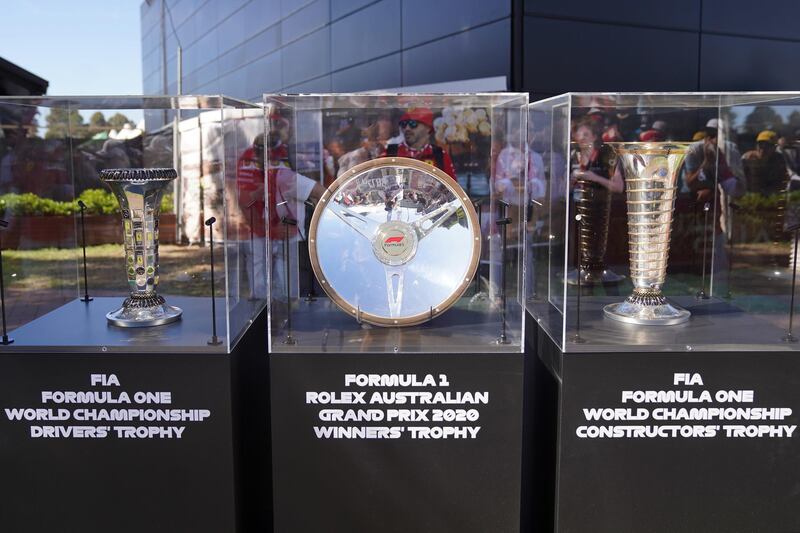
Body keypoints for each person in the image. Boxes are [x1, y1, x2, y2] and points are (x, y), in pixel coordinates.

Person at [382, 108, 457, 179]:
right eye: (404, 124)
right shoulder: (390, 152)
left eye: (413, 124)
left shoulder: (440, 155)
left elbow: (451, 188)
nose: (407, 128)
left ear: (428, 128)